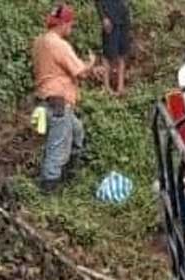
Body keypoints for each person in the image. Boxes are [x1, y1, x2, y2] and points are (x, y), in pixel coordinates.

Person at [33, 4, 95, 193]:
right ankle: (49, 189)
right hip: (58, 101)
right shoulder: (59, 44)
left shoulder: (39, 41)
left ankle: (70, 175)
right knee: (57, 145)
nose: (71, 28)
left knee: (77, 131)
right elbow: (80, 72)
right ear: (64, 23)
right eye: (71, 24)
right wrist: (91, 63)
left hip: (45, 99)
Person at [97, 0, 131, 96]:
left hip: (123, 17)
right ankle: (106, 87)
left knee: (122, 53)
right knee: (107, 54)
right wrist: (103, 17)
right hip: (110, 18)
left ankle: (121, 87)